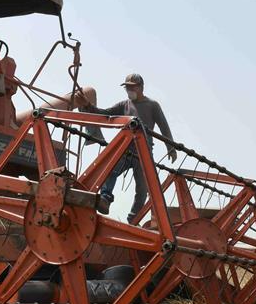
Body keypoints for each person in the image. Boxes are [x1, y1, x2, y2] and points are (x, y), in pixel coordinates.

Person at [72, 73, 177, 220]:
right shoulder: (124, 105)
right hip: (126, 149)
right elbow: (105, 114)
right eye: (127, 88)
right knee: (110, 170)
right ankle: (105, 199)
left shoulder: (152, 105)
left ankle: (133, 218)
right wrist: (88, 105)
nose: (129, 91)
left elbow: (163, 127)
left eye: (132, 87)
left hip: (143, 151)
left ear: (141, 87)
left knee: (142, 188)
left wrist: (170, 148)